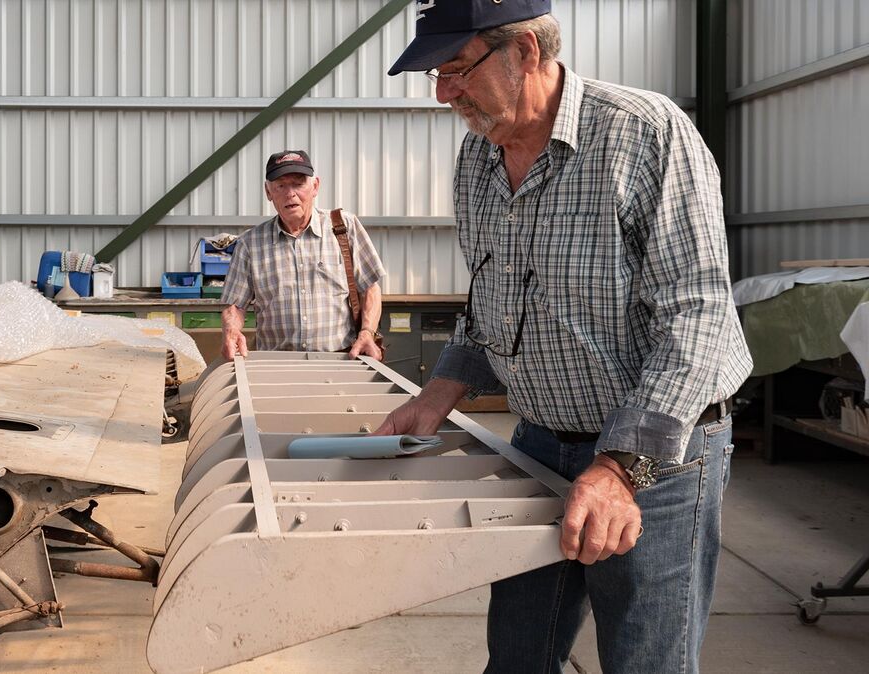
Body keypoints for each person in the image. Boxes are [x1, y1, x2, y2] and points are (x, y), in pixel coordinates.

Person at [378, 2, 753, 672]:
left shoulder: (642, 133)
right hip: (541, 443)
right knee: (520, 652)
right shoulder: (479, 159)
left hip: (657, 457)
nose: (442, 93)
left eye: (456, 70)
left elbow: (698, 318)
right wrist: (439, 392)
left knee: (646, 660)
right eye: (435, 75)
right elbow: (491, 303)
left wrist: (618, 469)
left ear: (524, 51)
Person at [220, 150, 386, 361]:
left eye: (298, 184)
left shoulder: (344, 227)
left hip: (341, 360)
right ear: (268, 191)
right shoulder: (250, 243)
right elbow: (235, 305)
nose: (290, 193)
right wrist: (231, 331)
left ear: (315, 186)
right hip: (275, 365)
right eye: (281, 185)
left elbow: (370, 287)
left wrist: (366, 333)